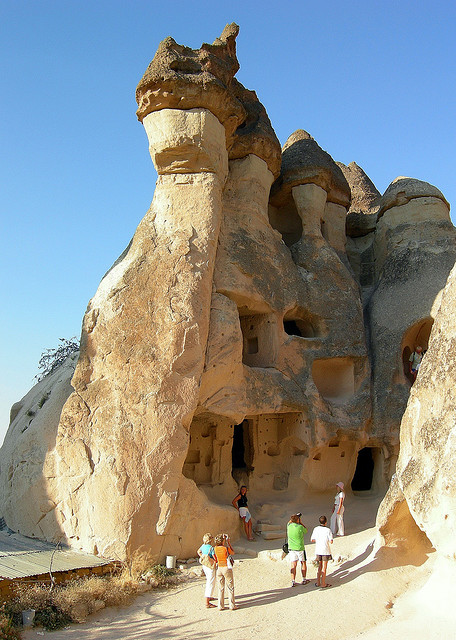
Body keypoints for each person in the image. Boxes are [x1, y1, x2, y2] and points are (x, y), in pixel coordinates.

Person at [213, 533, 237, 610]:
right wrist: (228, 542)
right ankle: (232, 605)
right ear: (223, 541)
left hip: (219, 568)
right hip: (226, 568)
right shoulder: (225, 548)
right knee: (230, 587)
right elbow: (232, 552)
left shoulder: (215, 548)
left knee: (220, 588)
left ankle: (220, 605)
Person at [286, 513, 309, 587]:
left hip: (291, 548)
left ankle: (293, 581)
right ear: (298, 520)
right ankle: (304, 579)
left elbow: (289, 521)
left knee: (293, 564)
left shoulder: (289, 526)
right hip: (300, 548)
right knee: (303, 563)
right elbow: (306, 530)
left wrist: (295, 517)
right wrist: (300, 522)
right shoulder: (300, 527)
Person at [311, 515, 333, 588]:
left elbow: (312, 539)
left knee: (319, 567)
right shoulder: (328, 530)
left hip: (318, 550)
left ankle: (318, 582)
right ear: (326, 522)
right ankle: (323, 583)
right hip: (325, 550)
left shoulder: (316, 529)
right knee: (324, 567)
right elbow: (331, 541)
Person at [197, 533, 216, 608]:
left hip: (205, 565)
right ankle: (207, 602)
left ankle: (209, 596)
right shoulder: (211, 548)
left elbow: (198, 551)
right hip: (210, 565)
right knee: (211, 582)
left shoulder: (203, 546)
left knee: (209, 580)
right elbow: (215, 557)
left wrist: (203, 556)